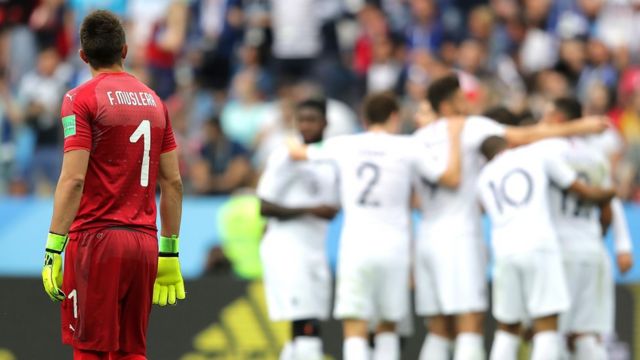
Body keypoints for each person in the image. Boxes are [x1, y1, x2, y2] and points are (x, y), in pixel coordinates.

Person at [413, 74, 608, 360]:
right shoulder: (472, 128)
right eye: (460, 98)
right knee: (474, 324)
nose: (467, 103)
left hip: (429, 237)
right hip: (464, 237)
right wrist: (581, 126)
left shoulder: (418, 140)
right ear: (446, 105)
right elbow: (528, 137)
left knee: (441, 329)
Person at [40, 10, 185, 360]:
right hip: (144, 244)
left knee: (90, 350)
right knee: (131, 351)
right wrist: (170, 250)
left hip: (96, 240)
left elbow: (73, 179)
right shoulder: (155, 102)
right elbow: (174, 182)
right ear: (124, 50)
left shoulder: (80, 99)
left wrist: (53, 247)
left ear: (82, 55)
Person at [290, 92, 465, 360]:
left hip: (356, 247)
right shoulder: (408, 147)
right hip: (394, 248)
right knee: (387, 326)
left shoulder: (344, 145)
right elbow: (449, 177)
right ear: (395, 117)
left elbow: (299, 152)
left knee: (355, 326)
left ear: (364, 118)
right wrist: (454, 138)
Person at [477, 135, 615, 360]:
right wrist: (611, 193)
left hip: (503, 251)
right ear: (510, 144)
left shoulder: (483, 176)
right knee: (547, 329)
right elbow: (583, 191)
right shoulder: (535, 155)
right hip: (539, 245)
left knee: (507, 329)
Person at [543, 97, 633, 359]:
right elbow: (609, 202)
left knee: (553, 331)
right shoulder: (595, 156)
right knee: (587, 333)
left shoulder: (544, 150)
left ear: (558, 119)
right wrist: (622, 246)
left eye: (546, 116)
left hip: (558, 250)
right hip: (593, 249)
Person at [257, 98, 338, 360]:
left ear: (325, 122)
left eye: (312, 120)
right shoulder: (285, 156)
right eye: (301, 120)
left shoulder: (332, 157)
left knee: (303, 325)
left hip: (314, 249)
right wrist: (310, 210)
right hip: (288, 248)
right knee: (306, 323)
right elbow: (264, 206)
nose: (306, 126)